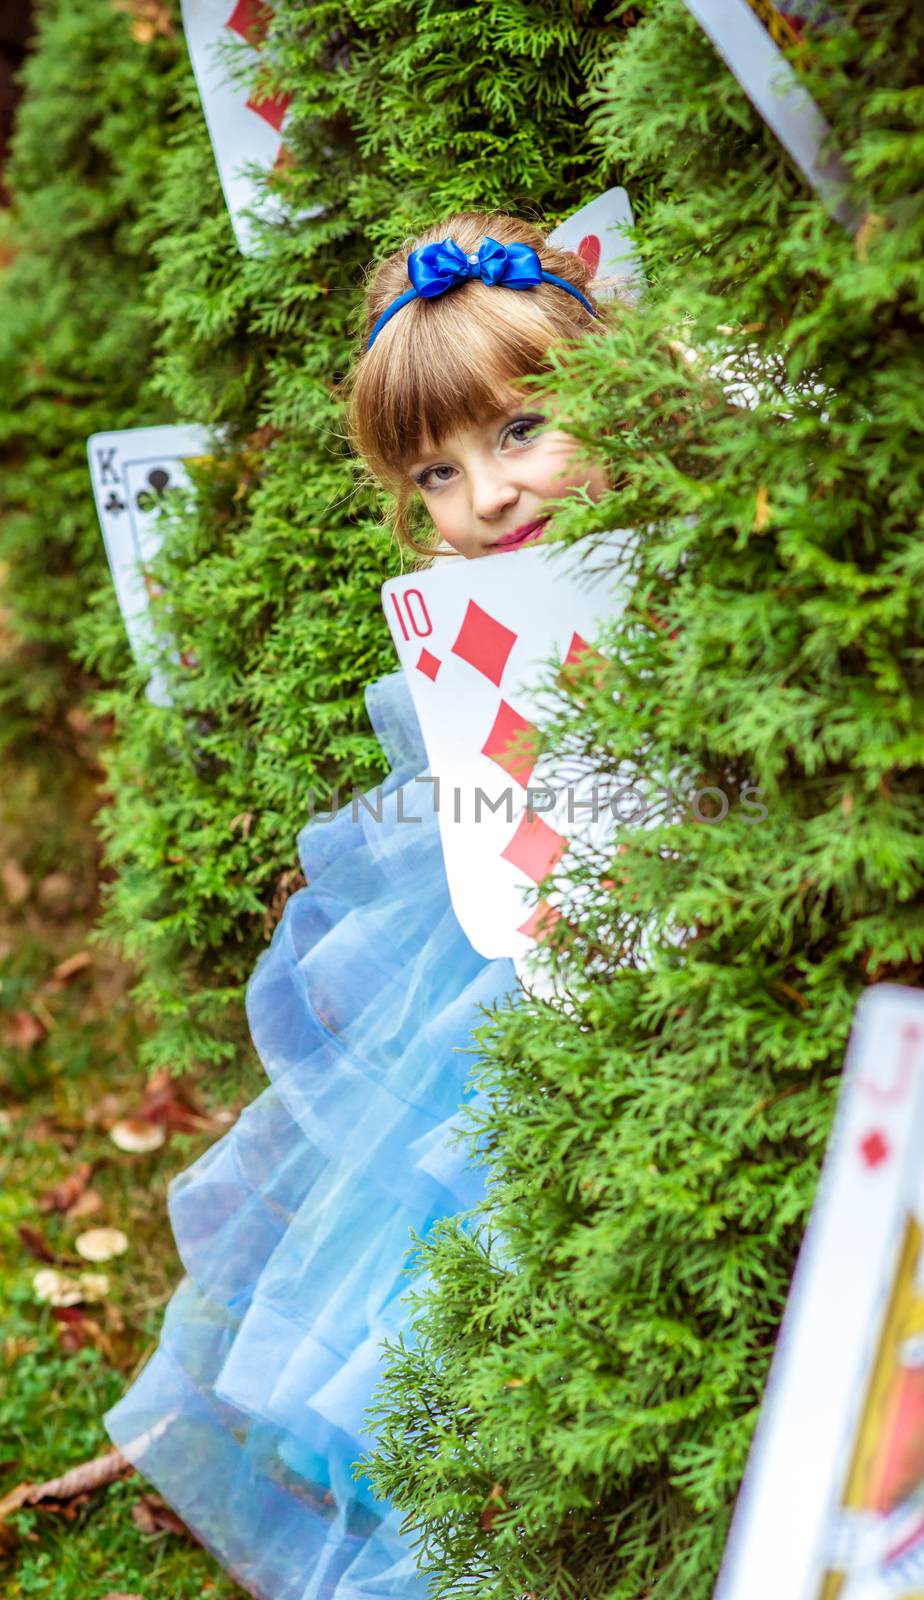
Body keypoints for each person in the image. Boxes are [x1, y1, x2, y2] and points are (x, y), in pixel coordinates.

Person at [104, 212, 608, 1600]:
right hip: (501, 938)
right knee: (455, 1218)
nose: (486, 500)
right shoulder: (472, 604)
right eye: (436, 473)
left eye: (522, 432)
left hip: (622, 913)